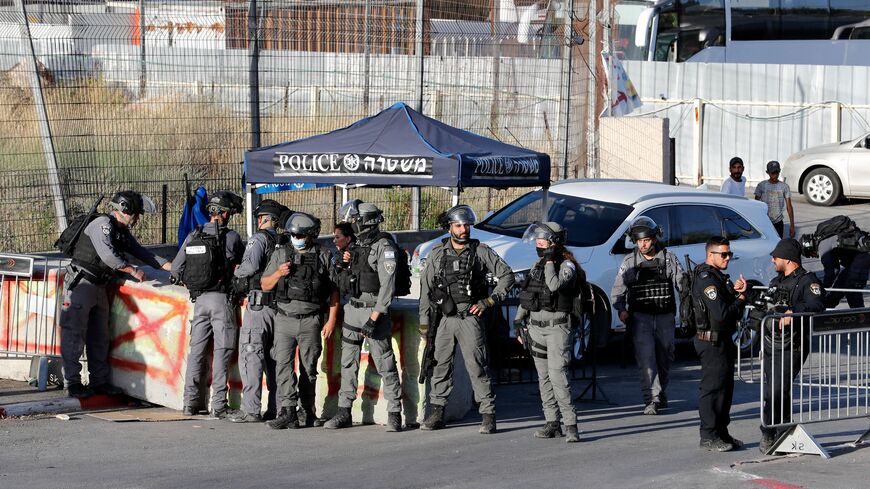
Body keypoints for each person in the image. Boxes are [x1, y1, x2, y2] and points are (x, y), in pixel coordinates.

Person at [60, 191, 172, 398]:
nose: (137, 218)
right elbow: (108, 256)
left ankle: (99, 382)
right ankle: (72, 383)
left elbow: (144, 254)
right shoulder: (102, 224)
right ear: (124, 209)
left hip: (100, 286)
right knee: (74, 335)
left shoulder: (121, 232)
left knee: (99, 337)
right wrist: (132, 270)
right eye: (136, 214)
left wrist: (172, 267)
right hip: (81, 284)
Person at [419, 204, 515, 434]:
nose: (464, 230)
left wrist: (488, 302)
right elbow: (426, 290)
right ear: (450, 227)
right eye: (459, 225)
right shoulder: (437, 254)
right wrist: (424, 323)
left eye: (467, 225)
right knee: (440, 366)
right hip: (443, 319)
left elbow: (507, 276)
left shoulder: (481, 251)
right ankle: (437, 413)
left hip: (470, 318)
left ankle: (488, 415)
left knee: (477, 366)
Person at [325, 200, 404, 432]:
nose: (352, 224)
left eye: (355, 220)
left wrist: (375, 317)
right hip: (353, 310)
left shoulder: (385, 247)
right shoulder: (357, 245)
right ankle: (344, 411)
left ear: (365, 222)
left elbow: (387, 288)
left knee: (384, 362)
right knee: (348, 363)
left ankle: (394, 412)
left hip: (373, 311)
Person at [260, 212, 339, 429]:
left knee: (309, 368)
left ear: (311, 236)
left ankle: (307, 410)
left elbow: (334, 291)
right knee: (282, 365)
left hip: (311, 320)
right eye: (293, 234)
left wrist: (331, 321)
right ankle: (288, 411)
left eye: (300, 235)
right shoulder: (281, 254)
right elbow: (265, 285)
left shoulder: (323, 254)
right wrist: (278, 273)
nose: (296, 238)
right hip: (284, 319)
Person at [171, 190, 245, 418]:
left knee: (197, 353)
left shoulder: (194, 233)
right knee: (222, 352)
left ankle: (190, 403)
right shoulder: (231, 237)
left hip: (199, 301)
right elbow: (244, 267)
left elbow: (175, 269)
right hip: (222, 301)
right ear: (223, 214)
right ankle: (218, 405)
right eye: (229, 212)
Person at [514, 222, 584, 443]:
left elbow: (554, 286)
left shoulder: (567, 266)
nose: (538, 243)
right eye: (537, 240)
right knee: (543, 378)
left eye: (542, 240)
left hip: (557, 328)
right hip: (536, 329)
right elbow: (529, 293)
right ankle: (552, 423)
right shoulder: (538, 264)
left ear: (554, 243)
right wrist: (518, 321)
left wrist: (551, 261)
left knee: (558, 376)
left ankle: (571, 424)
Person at [757, 238, 825, 453]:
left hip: (792, 345)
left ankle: (777, 432)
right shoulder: (777, 281)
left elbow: (817, 304)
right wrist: (746, 293)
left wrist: (793, 312)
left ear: (787, 259)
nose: (772, 260)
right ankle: (773, 431)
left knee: (778, 390)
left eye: (775, 257)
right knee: (770, 391)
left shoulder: (808, 281)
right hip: (770, 344)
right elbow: (765, 303)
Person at [610, 216, 682, 415]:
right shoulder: (630, 261)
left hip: (665, 316)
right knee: (646, 360)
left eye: (647, 240)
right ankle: (652, 399)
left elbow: (682, 284)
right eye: (639, 240)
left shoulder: (668, 258)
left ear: (654, 238)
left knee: (665, 356)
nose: (643, 244)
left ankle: (661, 392)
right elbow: (618, 290)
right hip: (640, 318)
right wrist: (621, 309)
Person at [226, 199, 288, 423]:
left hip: (259, 306)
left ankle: (251, 410)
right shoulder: (285, 240)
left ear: (262, 219)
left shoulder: (258, 239)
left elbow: (250, 268)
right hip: (280, 309)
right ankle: (277, 409)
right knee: (276, 360)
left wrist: (237, 273)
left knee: (251, 357)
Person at [692, 236, 748, 452]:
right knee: (712, 388)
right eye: (723, 254)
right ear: (710, 254)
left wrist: (736, 291)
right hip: (710, 341)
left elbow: (725, 304)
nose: (727, 258)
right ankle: (708, 435)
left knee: (725, 389)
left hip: (722, 339)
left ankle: (722, 433)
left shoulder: (717, 276)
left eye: (729, 254)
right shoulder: (706, 279)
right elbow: (722, 314)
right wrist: (741, 300)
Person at [819, 234, 869, 309]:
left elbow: (831, 272)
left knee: (852, 288)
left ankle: (860, 315)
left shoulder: (822, 249)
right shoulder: (825, 241)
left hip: (862, 256)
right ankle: (827, 306)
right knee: (841, 282)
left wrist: (823, 289)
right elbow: (835, 270)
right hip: (857, 260)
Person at [754, 160, 795, 238]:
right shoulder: (762, 185)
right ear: (767, 172)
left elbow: (789, 206)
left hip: (778, 222)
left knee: (778, 245)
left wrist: (792, 225)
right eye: (773, 173)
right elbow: (756, 205)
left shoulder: (784, 186)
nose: (775, 175)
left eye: (777, 172)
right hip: (765, 221)